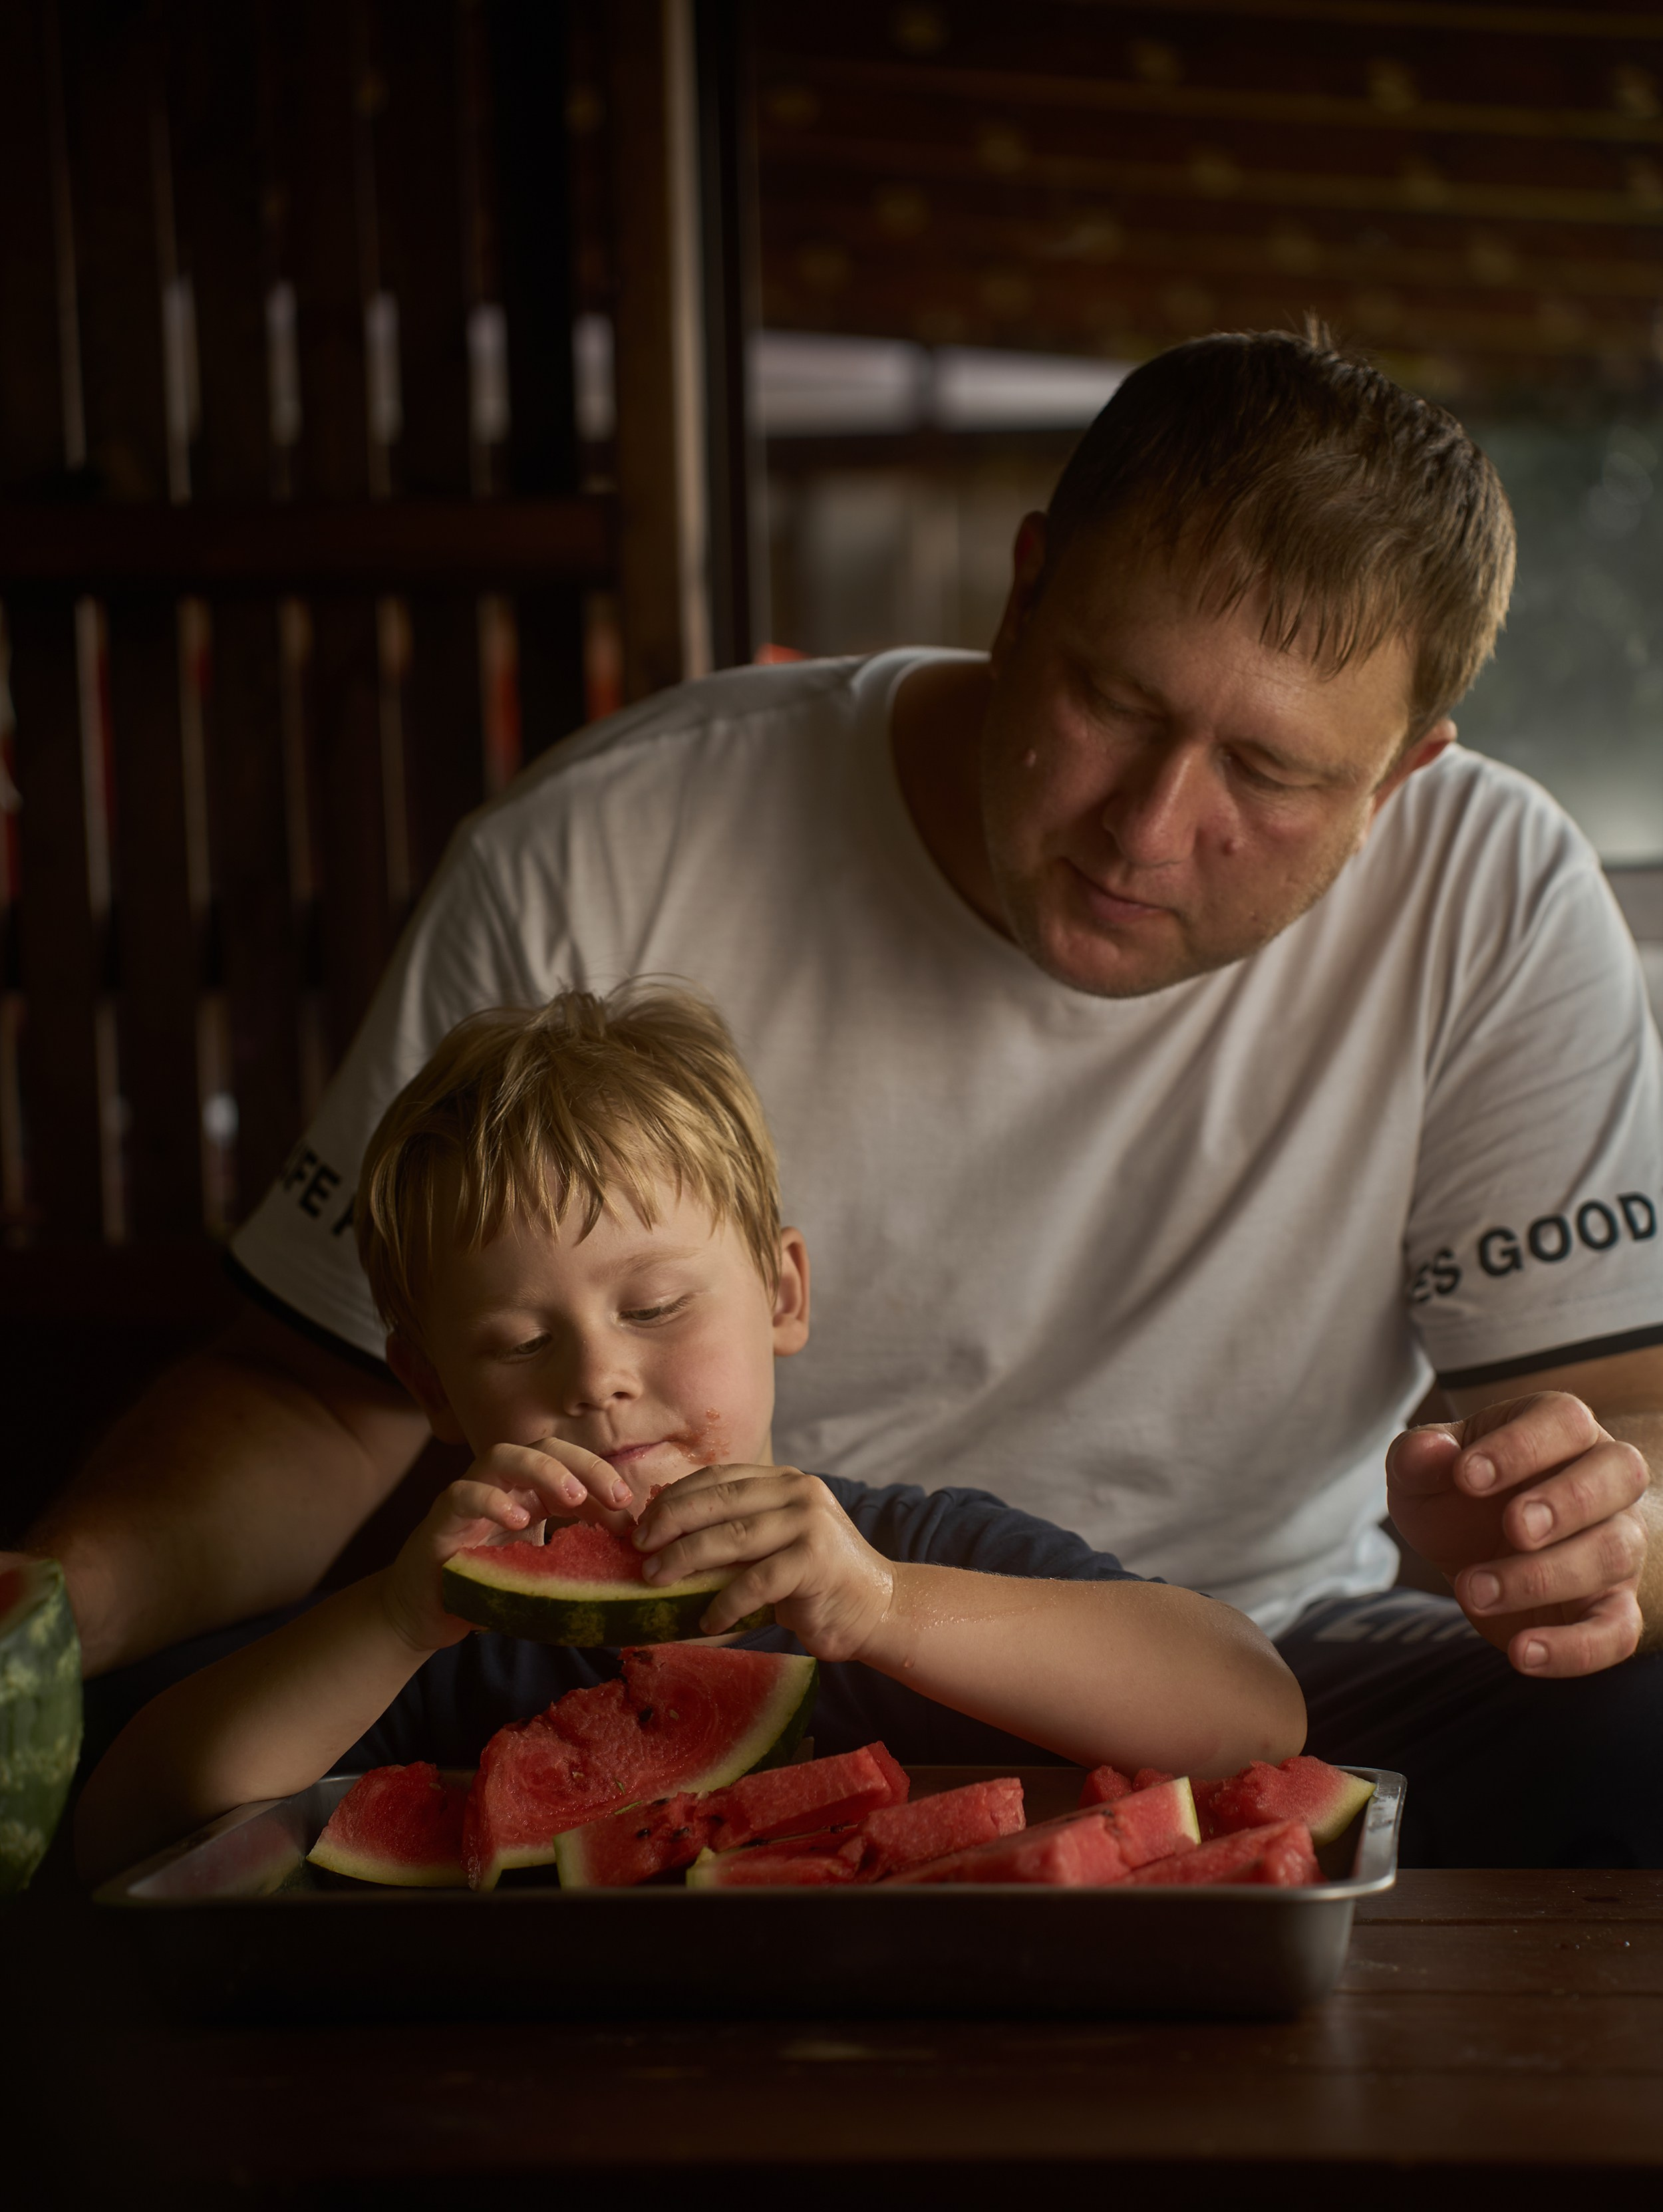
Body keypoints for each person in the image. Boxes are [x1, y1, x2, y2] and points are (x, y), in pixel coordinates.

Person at [27, 327, 1663, 1866]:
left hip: (1252, 1652)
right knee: (128, 1753)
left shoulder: (1493, 898)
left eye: (1272, 774)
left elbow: (1621, 1411)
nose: (1150, 828)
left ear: (1398, 773)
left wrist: (1587, 1530)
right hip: (635, 1639)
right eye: (1114, 704)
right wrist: (45, 1611)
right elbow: (318, 1393)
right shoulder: (613, 845)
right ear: (1023, 591)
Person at [74, 990, 1299, 1885]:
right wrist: (397, 1621)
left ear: (782, 1296)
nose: (601, 1379)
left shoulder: (904, 1545)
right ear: (432, 1388)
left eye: (656, 1308)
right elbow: (136, 1818)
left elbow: (1252, 1710)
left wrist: (883, 1608)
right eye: (515, 1343)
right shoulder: (448, 1630)